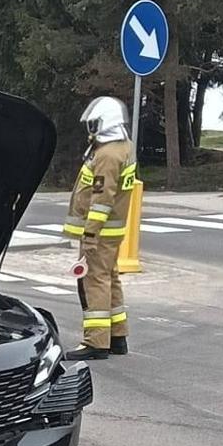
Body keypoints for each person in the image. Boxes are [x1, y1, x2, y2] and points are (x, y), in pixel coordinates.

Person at [63, 97, 136, 360]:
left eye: (94, 123)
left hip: (100, 232)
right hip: (112, 231)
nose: (91, 128)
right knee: (110, 278)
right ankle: (118, 336)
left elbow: (101, 200)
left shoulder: (106, 155)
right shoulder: (123, 147)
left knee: (94, 281)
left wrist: (90, 233)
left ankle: (96, 342)